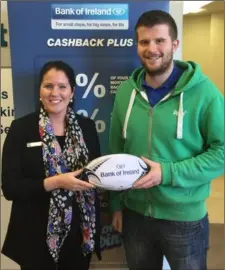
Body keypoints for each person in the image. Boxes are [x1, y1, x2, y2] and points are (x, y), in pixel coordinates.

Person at [109, 10, 224, 270]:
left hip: (185, 220)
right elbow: (116, 147)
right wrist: (116, 205)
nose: (152, 49)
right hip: (135, 216)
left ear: (174, 44)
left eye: (159, 41)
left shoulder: (205, 94)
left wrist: (168, 173)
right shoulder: (126, 91)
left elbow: (222, 152)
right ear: (137, 45)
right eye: (144, 42)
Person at [1, 60, 102, 270]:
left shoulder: (87, 128)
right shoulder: (21, 128)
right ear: (40, 90)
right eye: (48, 86)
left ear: (72, 92)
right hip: (34, 234)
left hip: (78, 235)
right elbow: (10, 188)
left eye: (62, 86)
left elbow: (96, 176)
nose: (54, 92)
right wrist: (54, 182)